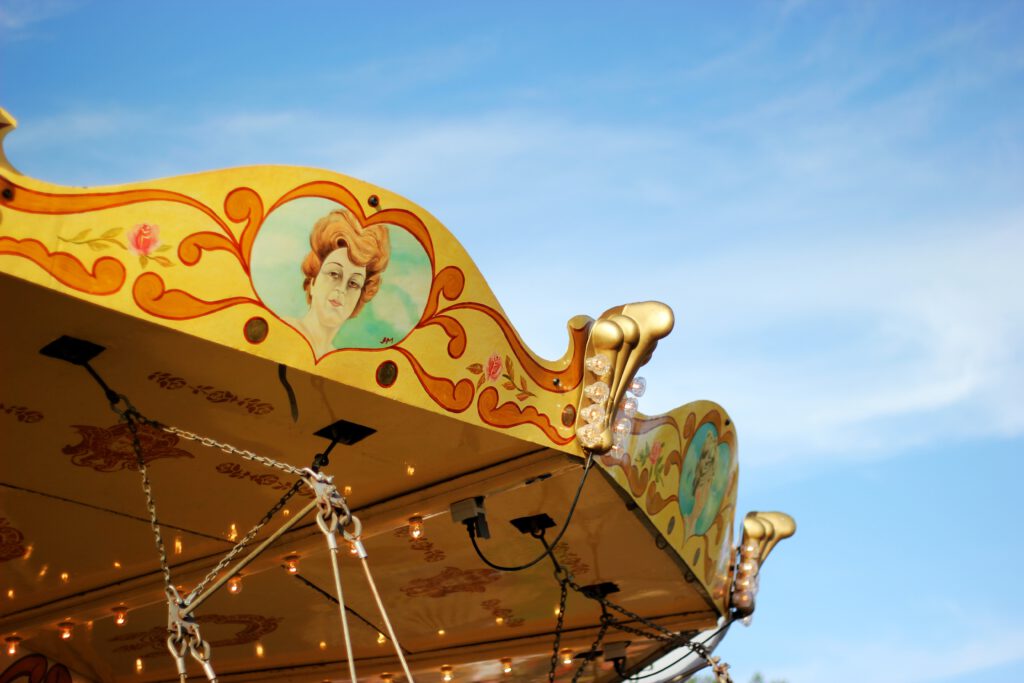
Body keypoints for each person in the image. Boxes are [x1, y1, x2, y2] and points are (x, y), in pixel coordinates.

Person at [287, 207, 390, 358]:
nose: (342, 289)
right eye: (334, 274)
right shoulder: (285, 330)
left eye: (354, 283)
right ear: (313, 281)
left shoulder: (336, 359)